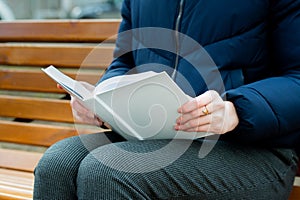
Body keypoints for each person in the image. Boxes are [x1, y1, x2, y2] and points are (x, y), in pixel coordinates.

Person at [34, 0, 300, 199]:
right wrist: (103, 98)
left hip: (254, 148)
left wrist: (236, 110)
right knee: (58, 163)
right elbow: (126, 58)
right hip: (156, 137)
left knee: (109, 172)